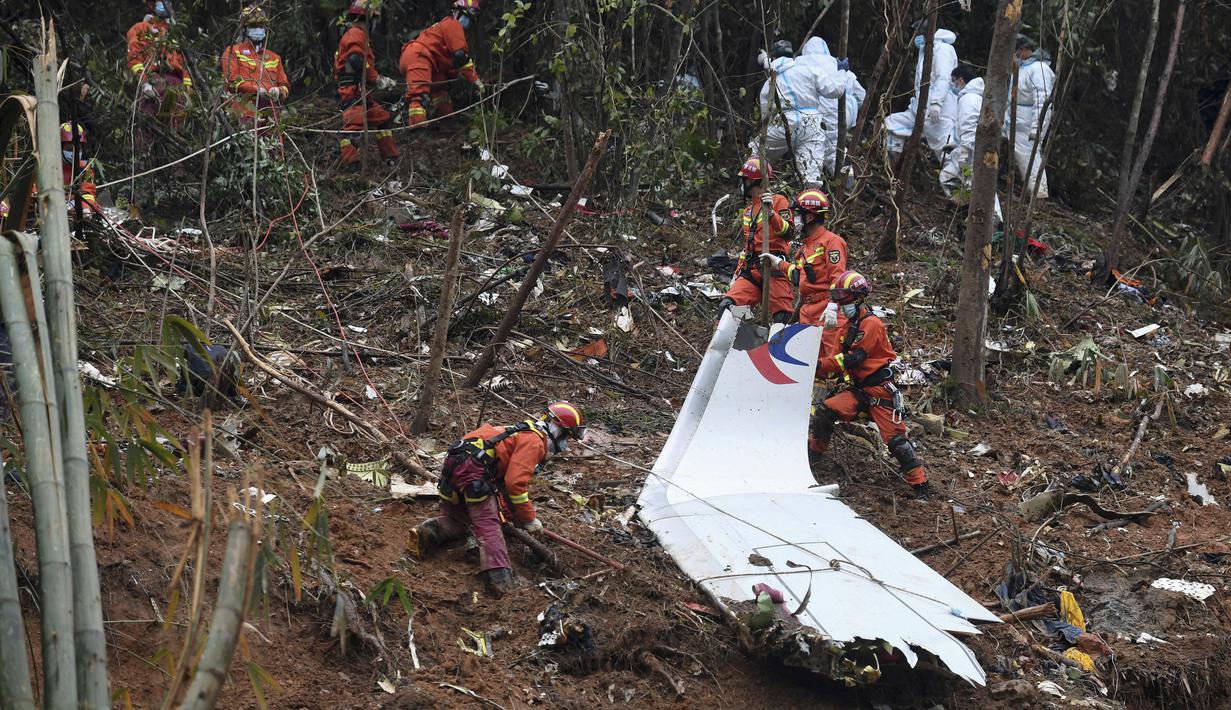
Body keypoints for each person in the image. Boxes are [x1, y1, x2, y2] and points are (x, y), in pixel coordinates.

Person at [414, 402, 587, 597]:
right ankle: (501, 585)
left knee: (463, 521)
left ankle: (430, 531)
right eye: (566, 437)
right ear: (557, 429)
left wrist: (510, 515)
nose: (565, 444)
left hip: (457, 464)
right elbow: (515, 484)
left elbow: (503, 486)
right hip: (473, 471)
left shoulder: (518, 431)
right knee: (488, 526)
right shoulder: (534, 441)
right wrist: (529, 519)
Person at [811, 271, 932, 500]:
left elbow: (852, 359)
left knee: (898, 443)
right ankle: (814, 455)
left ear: (857, 298)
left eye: (844, 300)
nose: (840, 305)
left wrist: (817, 366)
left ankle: (921, 486)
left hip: (879, 390)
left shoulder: (872, 324)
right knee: (825, 412)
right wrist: (820, 365)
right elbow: (836, 359)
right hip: (858, 390)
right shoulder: (845, 328)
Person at [749, 39, 851, 184]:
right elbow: (835, 90)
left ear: (774, 57)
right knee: (811, 176)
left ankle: (749, 194)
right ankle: (811, 202)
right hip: (811, 125)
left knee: (756, 158)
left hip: (781, 126)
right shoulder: (808, 70)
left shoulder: (770, 82)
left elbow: (766, 112)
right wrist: (841, 72)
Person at [716, 157, 795, 323]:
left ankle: (772, 341)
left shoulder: (779, 201)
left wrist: (772, 214)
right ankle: (750, 325)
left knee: (783, 318)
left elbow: (788, 233)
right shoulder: (748, 210)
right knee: (728, 307)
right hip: (751, 270)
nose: (742, 184)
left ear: (752, 180)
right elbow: (748, 247)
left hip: (774, 268)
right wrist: (736, 274)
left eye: (744, 180)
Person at [333, 0, 400, 168]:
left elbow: (362, 64)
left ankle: (390, 158)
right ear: (369, 19)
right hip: (352, 91)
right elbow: (356, 60)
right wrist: (376, 79)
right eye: (375, 20)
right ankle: (351, 165)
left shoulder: (359, 35)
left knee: (383, 119)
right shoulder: (356, 33)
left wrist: (380, 78)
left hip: (362, 93)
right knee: (353, 130)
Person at [399, 0, 484, 127]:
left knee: (440, 89)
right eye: (468, 17)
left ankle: (446, 119)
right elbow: (461, 56)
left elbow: (451, 63)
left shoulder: (447, 26)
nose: (468, 22)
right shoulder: (453, 24)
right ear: (458, 13)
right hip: (419, 57)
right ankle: (418, 128)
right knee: (419, 95)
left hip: (425, 60)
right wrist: (476, 81)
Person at [884, 25, 958, 161]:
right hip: (921, 110)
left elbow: (943, 77)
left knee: (946, 154)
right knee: (891, 124)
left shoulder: (943, 49)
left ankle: (956, 180)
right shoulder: (925, 50)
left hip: (939, 113)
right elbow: (922, 85)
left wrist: (936, 104)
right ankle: (890, 169)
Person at [939, 65, 1002, 221]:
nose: (953, 86)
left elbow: (969, 127)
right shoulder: (976, 97)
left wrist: (965, 152)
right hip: (972, 147)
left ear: (961, 80)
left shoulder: (968, 98)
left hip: (973, 151)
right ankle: (968, 209)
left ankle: (992, 221)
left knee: (977, 185)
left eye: (954, 81)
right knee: (947, 176)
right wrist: (954, 144)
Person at [797, 37, 866, 176]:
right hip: (845, 112)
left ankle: (812, 184)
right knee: (837, 149)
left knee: (815, 147)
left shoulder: (801, 64)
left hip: (820, 113)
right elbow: (862, 95)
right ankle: (848, 181)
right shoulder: (837, 64)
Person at [783, 187, 846, 327]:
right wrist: (777, 263)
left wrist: (833, 305)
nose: (795, 219)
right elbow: (798, 275)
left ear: (810, 217)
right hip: (807, 311)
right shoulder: (805, 247)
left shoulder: (832, 242)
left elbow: (838, 276)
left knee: (830, 349)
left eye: (798, 214)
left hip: (827, 312)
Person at [126, 0, 193, 129]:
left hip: (177, 87)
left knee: (177, 129)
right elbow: (134, 60)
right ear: (151, 4)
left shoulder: (176, 32)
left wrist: (188, 90)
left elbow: (185, 64)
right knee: (149, 128)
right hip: (155, 82)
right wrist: (145, 84)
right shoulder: (141, 29)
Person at [221, 6, 290, 128]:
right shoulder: (233, 52)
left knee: (272, 146)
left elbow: (284, 85)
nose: (258, 30)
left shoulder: (274, 57)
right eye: (253, 26)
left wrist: (279, 91)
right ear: (245, 29)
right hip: (243, 112)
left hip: (270, 114)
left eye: (261, 26)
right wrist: (256, 89)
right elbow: (231, 81)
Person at [1006, 34, 1055, 199]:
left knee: (1031, 159)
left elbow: (1042, 100)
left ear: (1022, 50)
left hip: (1028, 124)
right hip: (1017, 121)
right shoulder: (1022, 68)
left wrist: (1037, 127)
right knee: (1022, 158)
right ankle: (1031, 193)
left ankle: (1039, 194)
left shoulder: (1039, 69)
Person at [60, 121, 100, 218]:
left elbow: (88, 193)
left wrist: (85, 207)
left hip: (76, 209)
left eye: (78, 149)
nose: (74, 153)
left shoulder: (85, 168)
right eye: (69, 149)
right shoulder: (48, 167)